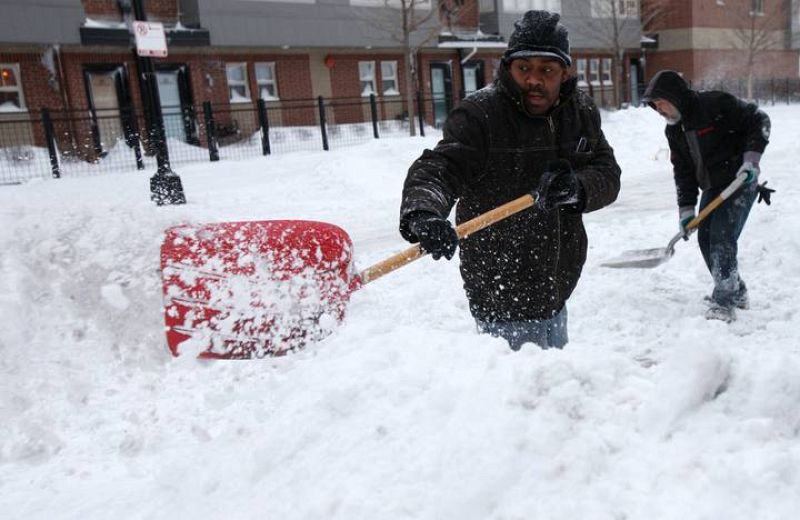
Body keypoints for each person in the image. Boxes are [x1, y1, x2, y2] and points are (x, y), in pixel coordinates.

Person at [398, 10, 621, 350]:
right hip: (502, 293)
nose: (534, 80)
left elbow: (607, 171)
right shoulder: (480, 115)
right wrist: (423, 213)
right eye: (524, 68)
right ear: (508, 67)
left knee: (552, 387)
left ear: (564, 72)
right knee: (518, 396)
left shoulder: (580, 111)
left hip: (557, 288)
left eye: (546, 70)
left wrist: (577, 187)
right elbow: (441, 167)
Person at [642, 70, 774, 322]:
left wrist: (751, 161)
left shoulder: (714, 104)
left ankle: (724, 301)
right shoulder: (674, 131)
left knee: (722, 237)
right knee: (705, 239)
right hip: (713, 187)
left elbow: (759, 119)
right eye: (654, 106)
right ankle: (737, 290)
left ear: (675, 97)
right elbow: (683, 172)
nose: (658, 109)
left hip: (739, 181)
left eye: (660, 102)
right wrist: (686, 211)